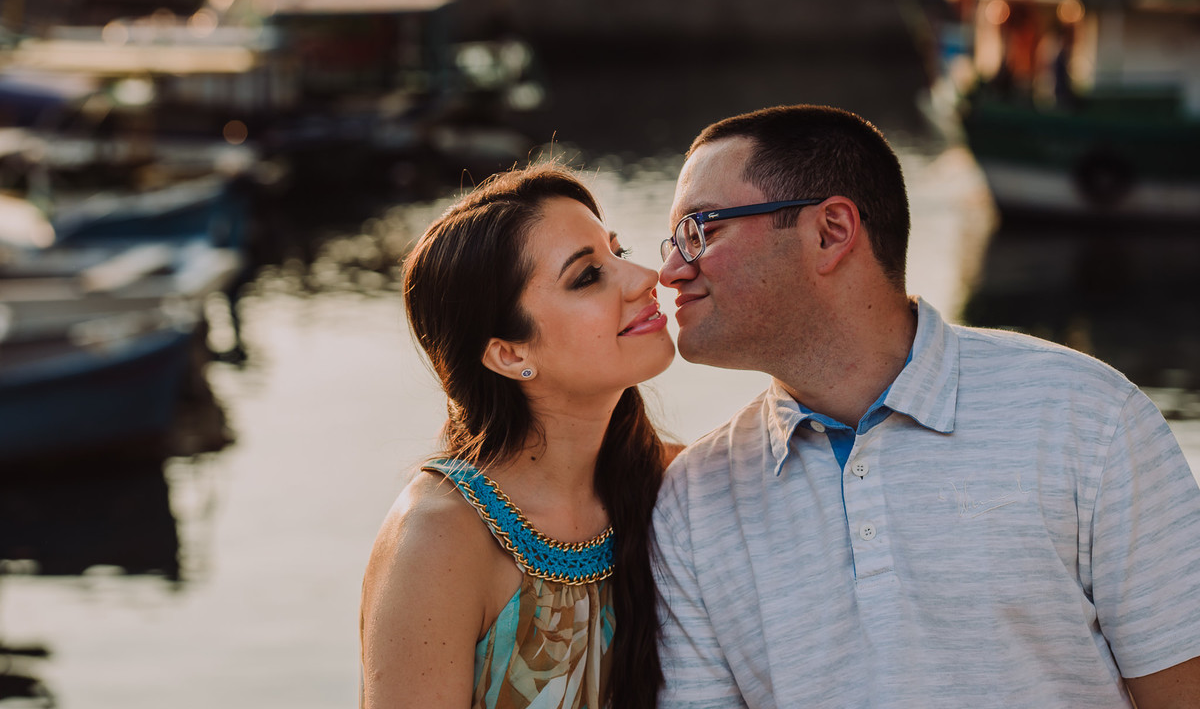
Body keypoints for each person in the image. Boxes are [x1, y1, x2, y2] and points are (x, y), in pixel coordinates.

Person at [652, 104, 1200, 708]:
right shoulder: (693, 499)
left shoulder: (1089, 419)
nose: (671, 270)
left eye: (700, 229)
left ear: (831, 231)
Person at [360, 163, 678, 709]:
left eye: (617, 254)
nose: (645, 276)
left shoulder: (676, 481)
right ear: (510, 354)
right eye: (587, 276)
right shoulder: (439, 535)